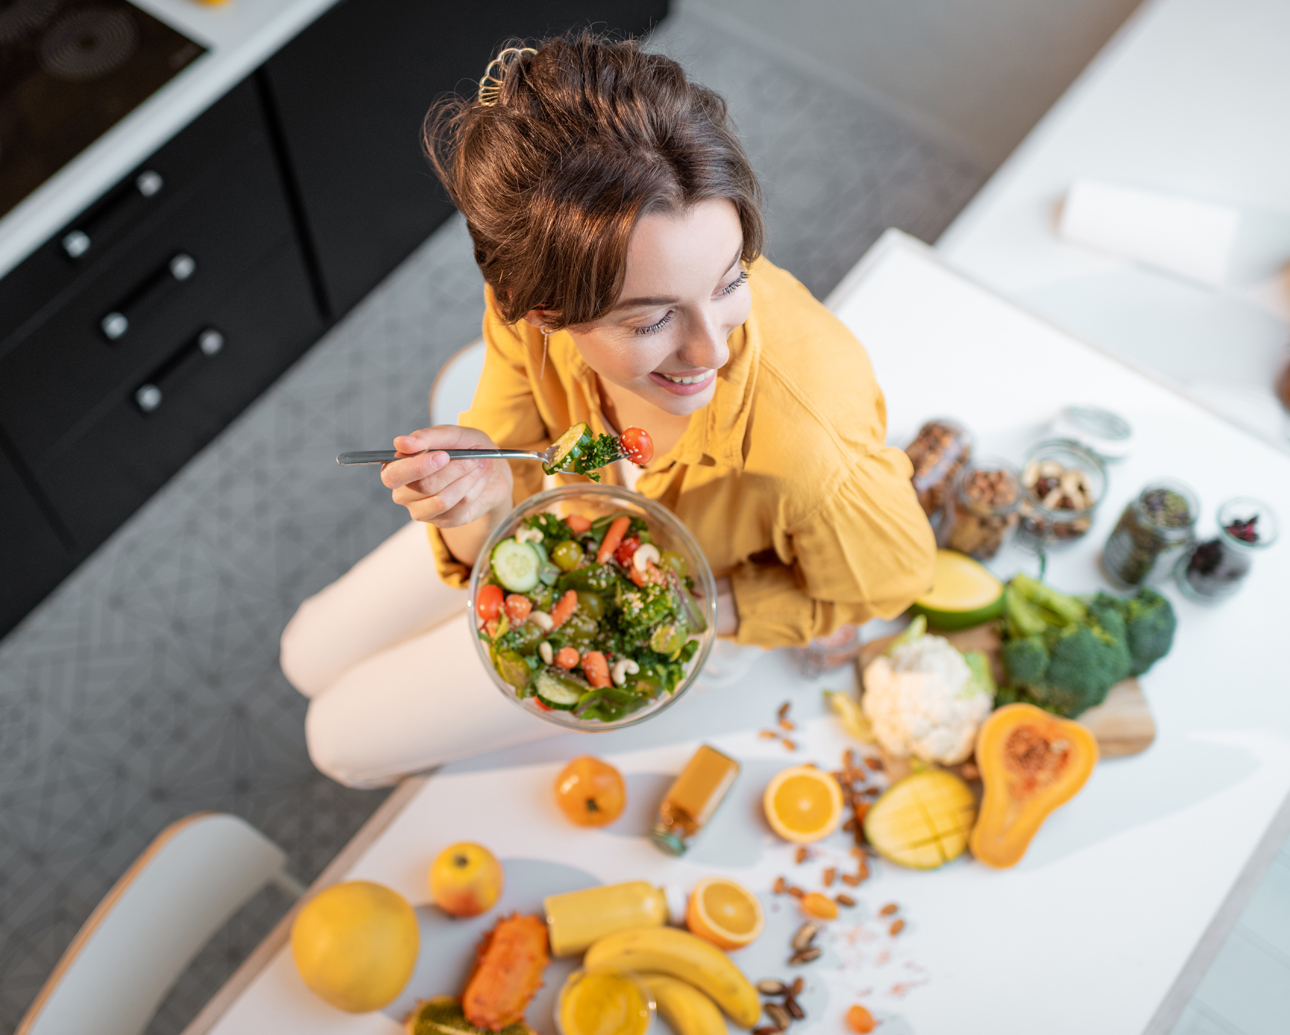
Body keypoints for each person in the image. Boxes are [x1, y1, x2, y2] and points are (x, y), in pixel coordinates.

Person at [280, 33, 936, 787]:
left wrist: (706, 607)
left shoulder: (809, 447)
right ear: (544, 312)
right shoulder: (521, 304)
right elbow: (522, 466)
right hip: (567, 508)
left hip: (682, 598)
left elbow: (889, 581)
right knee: (308, 649)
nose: (711, 352)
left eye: (729, 280)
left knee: (337, 740)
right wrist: (478, 503)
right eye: (651, 319)